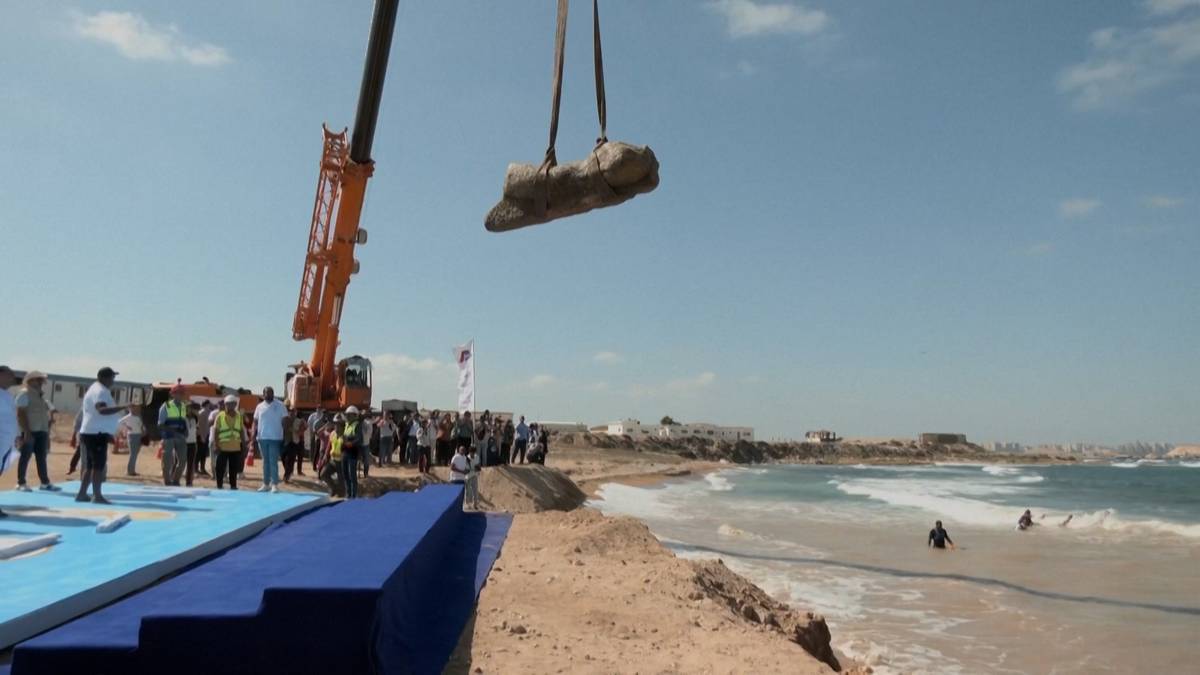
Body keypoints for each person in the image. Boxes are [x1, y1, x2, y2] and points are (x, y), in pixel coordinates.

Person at [76, 367, 130, 504]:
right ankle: (97, 495)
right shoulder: (100, 391)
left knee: (90, 466)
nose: (113, 381)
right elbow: (102, 410)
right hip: (96, 434)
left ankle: (82, 493)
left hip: (92, 432)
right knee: (98, 466)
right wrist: (123, 406)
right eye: (112, 377)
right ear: (104, 378)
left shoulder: (96, 389)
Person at [14, 370, 61, 492]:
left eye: (42, 380)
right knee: (25, 457)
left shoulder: (40, 396)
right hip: (30, 431)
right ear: (31, 381)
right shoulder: (24, 394)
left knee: (41, 457)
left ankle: (45, 482)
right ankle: (21, 483)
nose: (42, 382)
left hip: (41, 430)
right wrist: (26, 431)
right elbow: (20, 414)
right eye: (39, 380)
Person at [251, 386, 287, 493]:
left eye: (271, 392)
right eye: (267, 393)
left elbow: (285, 420)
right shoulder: (259, 406)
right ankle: (266, 484)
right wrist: (253, 434)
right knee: (265, 462)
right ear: (263, 394)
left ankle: (274, 484)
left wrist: (285, 434)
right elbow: (255, 422)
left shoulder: (280, 405)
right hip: (262, 438)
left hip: (275, 437)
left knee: (273, 461)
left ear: (273, 394)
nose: (269, 394)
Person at [210, 396, 246, 490]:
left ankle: (233, 486)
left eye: (232, 404)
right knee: (220, 467)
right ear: (225, 404)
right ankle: (219, 485)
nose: (230, 405)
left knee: (233, 468)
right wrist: (216, 445)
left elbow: (241, 430)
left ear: (235, 404)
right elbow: (215, 431)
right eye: (228, 404)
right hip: (222, 447)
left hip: (235, 447)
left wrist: (244, 444)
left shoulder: (239, 416)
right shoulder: (220, 416)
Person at [158, 384, 190, 486]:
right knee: (167, 459)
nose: (180, 395)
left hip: (181, 437)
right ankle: (167, 481)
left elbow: (183, 420)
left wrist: (186, 430)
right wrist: (174, 432)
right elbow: (160, 424)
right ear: (173, 394)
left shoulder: (183, 406)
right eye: (178, 393)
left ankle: (176, 480)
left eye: (182, 393)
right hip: (168, 437)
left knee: (183, 460)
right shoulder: (166, 406)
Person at [0, 365, 20, 517]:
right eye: (9, 375)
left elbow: (12, 418)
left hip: (6, 441)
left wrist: (17, 435)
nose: (12, 378)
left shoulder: (7, 395)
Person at [340, 406, 365, 499]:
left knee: (352, 475)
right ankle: (348, 493)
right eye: (347, 415)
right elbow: (344, 436)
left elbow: (359, 439)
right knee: (345, 474)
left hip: (352, 453)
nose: (347, 417)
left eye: (349, 415)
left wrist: (350, 442)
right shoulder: (346, 425)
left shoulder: (357, 425)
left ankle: (354, 495)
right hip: (345, 452)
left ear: (355, 416)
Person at [318, 414, 344, 497]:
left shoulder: (345, 436)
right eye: (335, 424)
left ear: (343, 425)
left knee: (341, 480)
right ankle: (333, 488)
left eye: (339, 424)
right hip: (332, 461)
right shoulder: (332, 433)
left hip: (341, 462)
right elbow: (329, 446)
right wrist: (326, 455)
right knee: (323, 474)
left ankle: (341, 493)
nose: (336, 426)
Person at [117, 406, 145, 477]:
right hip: (132, 435)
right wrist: (126, 427)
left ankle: (132, 470)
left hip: (138, 435)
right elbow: (119, 422)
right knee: (133, 453)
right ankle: (130, 471)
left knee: (135, 453)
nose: (134, 409)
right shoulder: (128, 417)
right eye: (132, 408)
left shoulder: (138, 417)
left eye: (134, 408)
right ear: (129, 409)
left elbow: (141, 426)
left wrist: (143, 432)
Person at [183, 403, 200, 486]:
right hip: (183, 443)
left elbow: (197, 429)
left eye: (191, 408)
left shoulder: (195, 418)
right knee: (179, 462)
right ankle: (174, 479)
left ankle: (189, 482)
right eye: (188, 408)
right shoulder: (182, 418)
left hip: (193, 443)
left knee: (190, 463)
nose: (190, 410)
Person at [195, 401, 212, 477]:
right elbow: (199, 426)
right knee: (199, 453)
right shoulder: (202, 413)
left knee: (204, 454)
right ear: (206, 405)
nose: (210, 406)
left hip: (206, 435)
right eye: (209, 405)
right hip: (201, 436)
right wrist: (201, 436)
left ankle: (202, 468)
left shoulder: (207, 413)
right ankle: (195, 469)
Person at [307, 407, 324, 472]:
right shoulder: (313, 416)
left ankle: (318, 464)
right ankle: (312, 461)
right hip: (315, 434)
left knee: (320, 450)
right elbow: (309, 423)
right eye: (318, 409)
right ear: (316, 409)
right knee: (314, 448)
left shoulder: (323, 418)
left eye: (320, 409)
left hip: (322, 436)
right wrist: (313, 431)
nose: (319, 410)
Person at [464, 444, 481, 510]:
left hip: (475, 475)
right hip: (468, 476)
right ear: (469, 452)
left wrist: (477, 468)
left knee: (475, 490)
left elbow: (478, 466)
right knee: (468, 491)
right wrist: (472, 468)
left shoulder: (477, 457)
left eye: (474, 452)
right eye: (471, 452)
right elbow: (466, 469)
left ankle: (475, 504)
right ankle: (467, 504)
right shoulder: (467, 458)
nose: (473, 454)